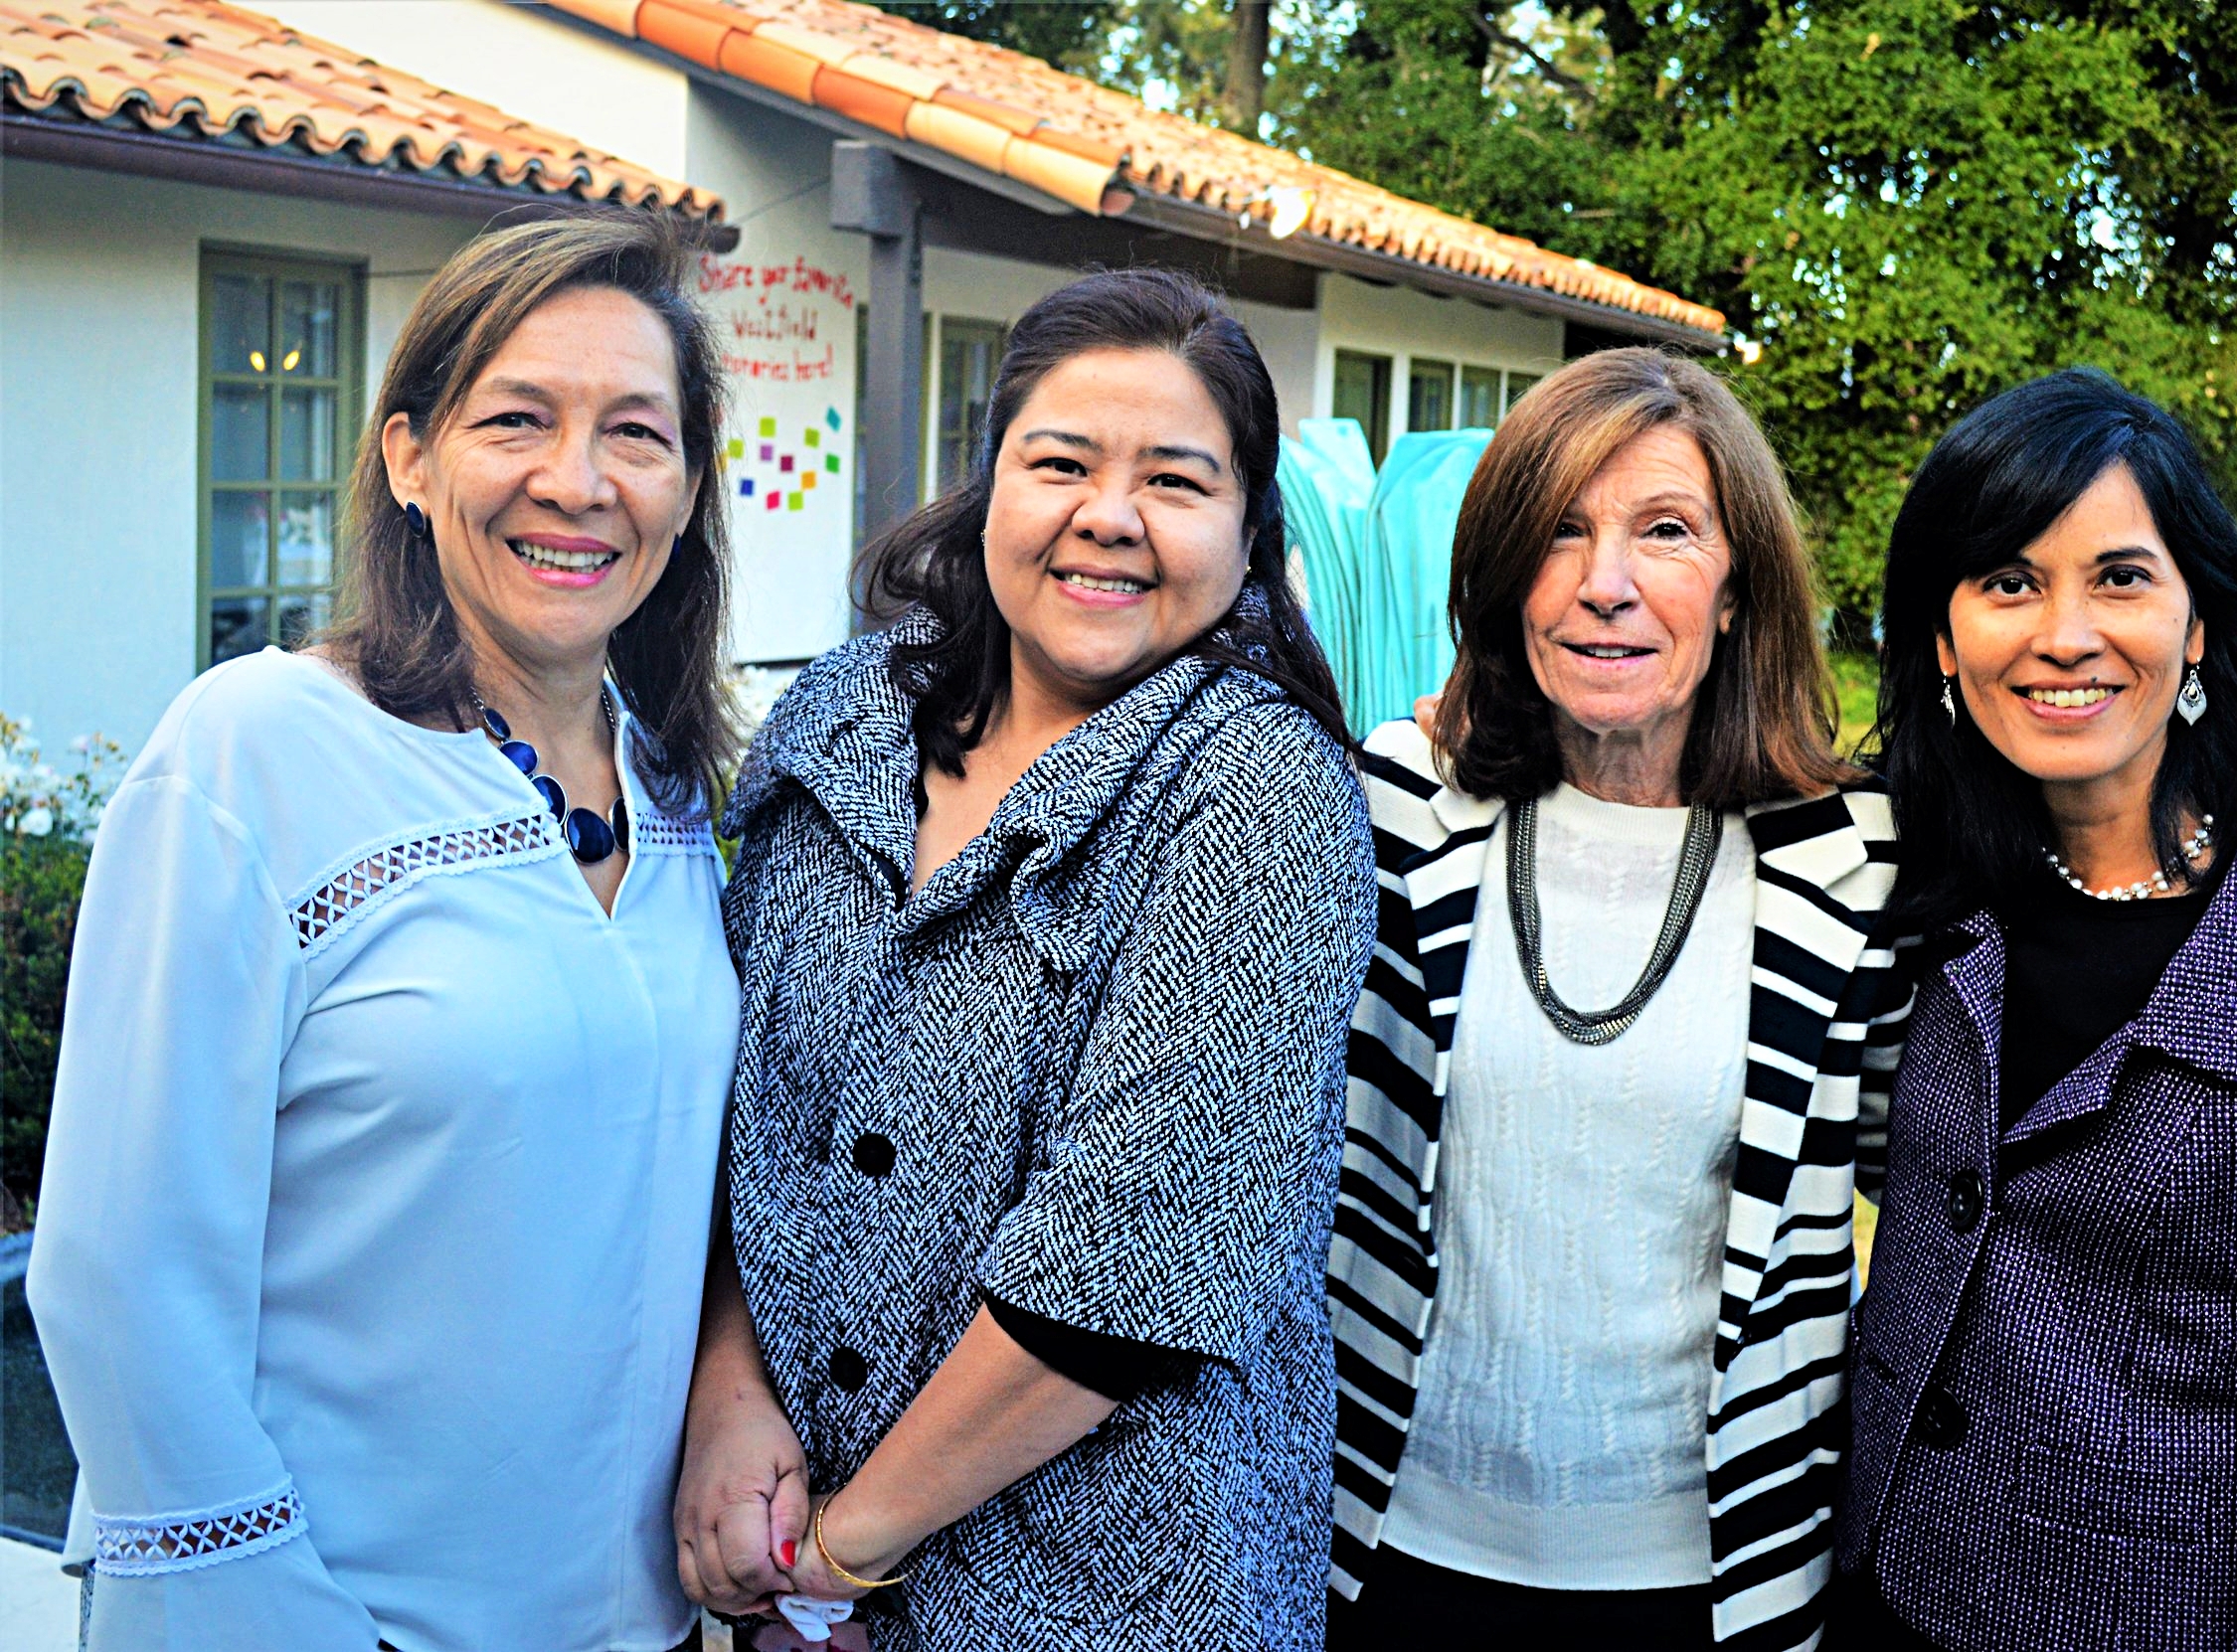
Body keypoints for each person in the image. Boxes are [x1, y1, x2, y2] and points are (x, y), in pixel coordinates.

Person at [26, 215, 743, 1650]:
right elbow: (117, 1272)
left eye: (637, 434)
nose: (578, 482)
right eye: (517, 419)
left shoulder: (669, 788)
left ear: (686, 485)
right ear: (410, 457)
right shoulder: (253, 750)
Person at [673, 267, 1376, 1651]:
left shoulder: (1255, 793)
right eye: (1061, 461)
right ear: (990, 480)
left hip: (1107, 1598)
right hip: (780, 1549)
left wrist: (833, 1561)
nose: (1107, 515)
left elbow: (1123, 1280)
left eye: (1176, 481)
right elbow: (741, 1118)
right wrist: (727, 1386)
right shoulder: (843, 715)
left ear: (1248, 533)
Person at [1840, 369, 2237, 1648]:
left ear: (2198, 623)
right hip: (1875, 1589)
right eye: (2007, 581)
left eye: (2120, 578)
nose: (2063, 632)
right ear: (1939, 634)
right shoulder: (1912, 883)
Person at [1325, 349, 1914, 1652]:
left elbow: (1924, 1183)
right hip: (1390, 1549)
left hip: (1715, 1579)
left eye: (1664, 532)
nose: (1604, 583)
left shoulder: (1851, 856)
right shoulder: (1392, 804)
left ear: (1738, 583)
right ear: (1499, 583)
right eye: (1558, 534)